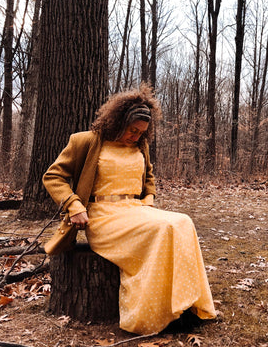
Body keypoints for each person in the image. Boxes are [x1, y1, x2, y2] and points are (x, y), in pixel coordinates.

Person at [42, 84, 216, 336]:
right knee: (164, 228)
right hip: (103, 216)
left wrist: (149, 199)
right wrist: (73, 205)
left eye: (141, 132)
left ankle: (183, 306)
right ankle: (156, 315)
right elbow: (53, 176)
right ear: (117, 121)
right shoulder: (86, 141)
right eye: (132, 130)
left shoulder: (140, 146)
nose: (135, 136)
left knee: (183, 222)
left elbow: (149, 177)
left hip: (136, 210)